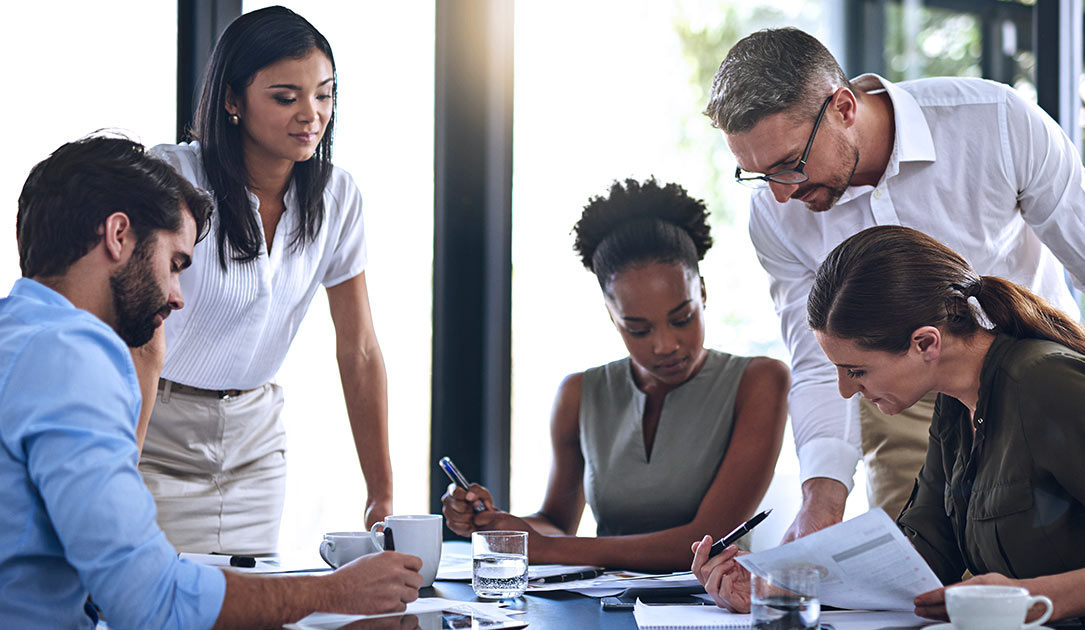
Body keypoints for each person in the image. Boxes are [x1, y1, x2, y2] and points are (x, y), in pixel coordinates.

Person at [704, 27, 1085, 540]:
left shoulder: (996, 124)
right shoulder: (776, 212)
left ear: (845, 107)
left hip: (1038, 381)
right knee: (915, 587)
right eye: (759, 175)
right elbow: (817, 363)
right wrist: (821, 503)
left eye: (789, 165)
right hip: (894, 394)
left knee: (1067, 563)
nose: (781, 196)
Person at [0, 134, 422, 629]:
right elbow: (151, 602)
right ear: (118, 235)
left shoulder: (18, 336)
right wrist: (336, 590)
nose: (178, 297)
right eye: (175, 264)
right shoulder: (75, 361)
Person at [693, 225, 1085, 625]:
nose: (848, 391)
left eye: (857, 370)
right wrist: (783, 589)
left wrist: (1035, 599)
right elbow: (923, 558)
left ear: (926, 343)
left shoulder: (1045, 383)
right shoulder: (956, 405)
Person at [135, 6, 393, 554]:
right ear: (232, 100)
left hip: (255, 439)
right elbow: (140, 333)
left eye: (324, 94)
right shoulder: (173, 177)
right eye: (286, 97)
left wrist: (381, 493)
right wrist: (118, 464)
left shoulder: (337, 197)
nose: (311, 114)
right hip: (156, 433)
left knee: (253, 602)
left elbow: (361, 348)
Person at [441, 178, 789, 571]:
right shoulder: (579, 393)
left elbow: (705, 541)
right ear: (612, 315)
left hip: (716, 610)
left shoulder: (760, 382)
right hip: (602, 606)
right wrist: (499, 525)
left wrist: (544, 549)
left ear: (703, 292)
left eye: (682, 318)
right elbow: (556, 525)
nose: (665, 345)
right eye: (638, 329)